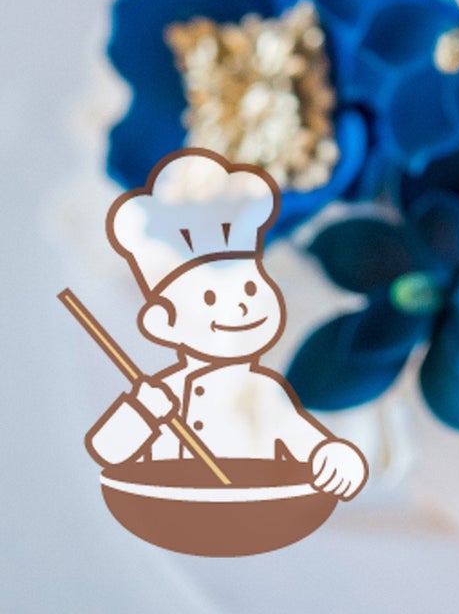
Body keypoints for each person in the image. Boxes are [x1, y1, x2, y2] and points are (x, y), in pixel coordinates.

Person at [86, 148, 368, 499]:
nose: (243, 306)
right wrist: (142, 410)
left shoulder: (267, 387)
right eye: (210, 300)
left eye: (252, 288)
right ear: (165, 324)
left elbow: (308, 440)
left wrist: (334, 458)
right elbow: (108, 449)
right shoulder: (167, 394)